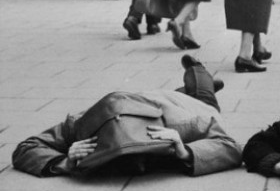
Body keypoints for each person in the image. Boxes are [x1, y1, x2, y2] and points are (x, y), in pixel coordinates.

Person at [12, 55, 242, 177]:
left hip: (188, 104)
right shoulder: (81, 125)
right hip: (140, 100)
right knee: (183, 93)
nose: (141, 169)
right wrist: (64, 162)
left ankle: (197, 69)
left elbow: (232, 148)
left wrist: (185, 151)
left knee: (203, 92)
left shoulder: (185, 122)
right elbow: (25, 148)